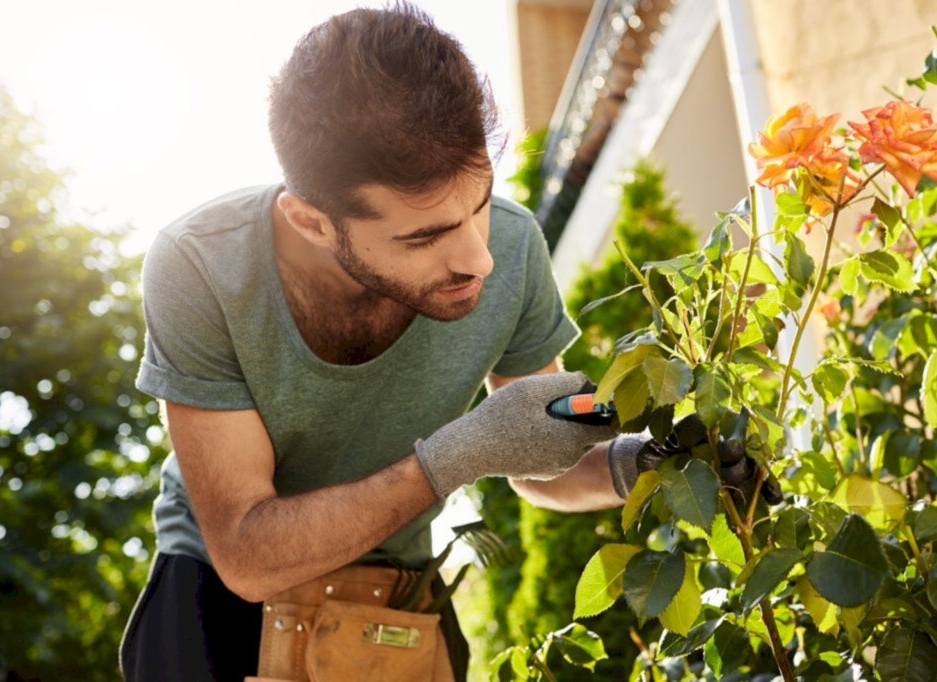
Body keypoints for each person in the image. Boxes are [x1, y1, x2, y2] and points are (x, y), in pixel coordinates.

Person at [117, 4, 758, 681]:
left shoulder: (512, 249)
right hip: (217, 606)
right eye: (423, 237)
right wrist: (453, 457)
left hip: (399, 594)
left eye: (479, 204)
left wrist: (657, 455)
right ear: (311, 223)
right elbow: (248, 556)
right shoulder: (200, 266)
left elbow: (547, 450)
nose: (478, 259)